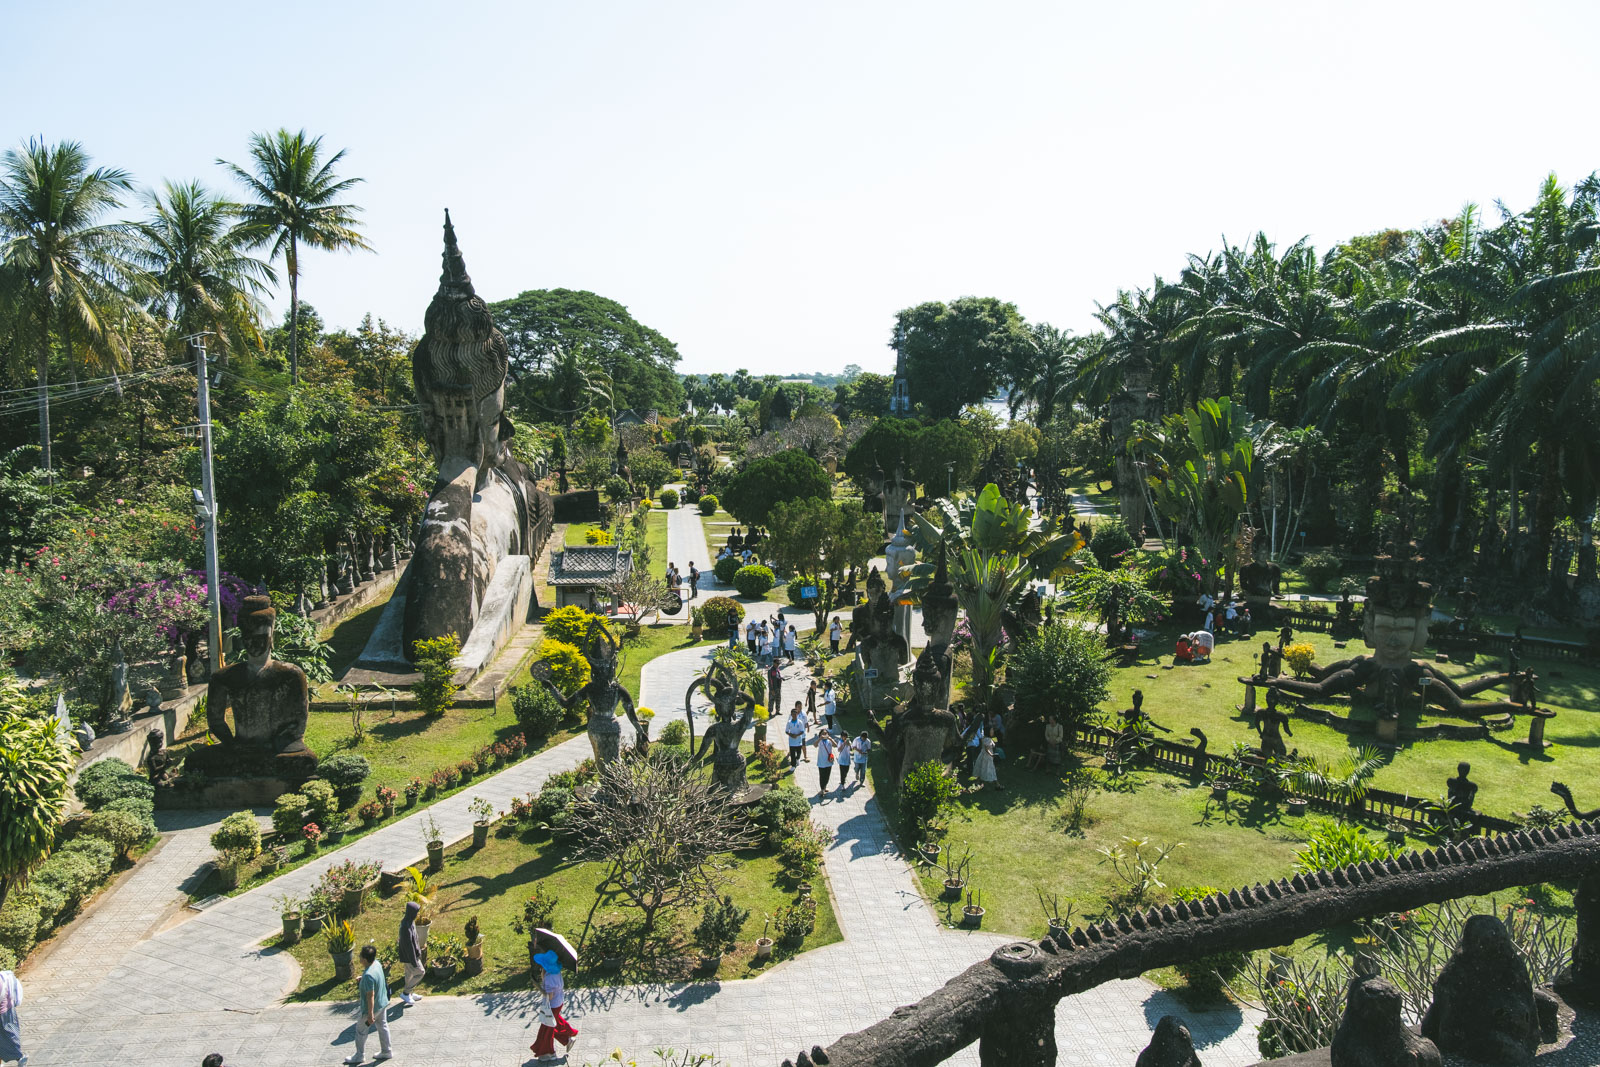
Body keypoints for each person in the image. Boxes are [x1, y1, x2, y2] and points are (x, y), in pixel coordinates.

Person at [345, 944, 392, 1064]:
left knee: (360, 1031)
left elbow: (370, 996)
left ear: (365, 959)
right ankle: (386, 1051)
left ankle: (359, 1056)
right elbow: (375, 979)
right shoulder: (377, 964)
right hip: (383, 1003)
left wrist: (370, 1015)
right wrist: (363, 979)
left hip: (372, 1009)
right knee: (382, 1026)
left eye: (360, 956)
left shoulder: (368, 976)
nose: (359, 957)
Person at [530, 948, 577, 1061]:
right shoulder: (555, 973)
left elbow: (549, 996)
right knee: (554, 1023)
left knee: (546, 1030)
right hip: (558, 1002)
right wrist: (543, 973)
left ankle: (548, 1053)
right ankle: (567, 1038)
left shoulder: (550, 978)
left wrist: (538, 987)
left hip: (552, 1005)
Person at [396, 900, 425, 1005]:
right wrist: (414, 961)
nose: (417, 915)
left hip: (413, 955)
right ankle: (406, 993)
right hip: (410, 957)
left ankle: (410, 993)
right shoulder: (405, 927)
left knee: (409, 975)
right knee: (420, 972)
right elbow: (409, 947)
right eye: (416, 912)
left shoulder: (410, 921)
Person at [0, 968, 23, 1067]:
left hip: (3, 1013)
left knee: (7, 1037)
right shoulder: (2, 977)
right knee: (8, 1036)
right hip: (7, 1011)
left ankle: (20, 1057)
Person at [961, 713, 984, 779]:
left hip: (970, 745)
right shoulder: (977, 728)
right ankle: (977, 771)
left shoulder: (969, 728)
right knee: (975, 759)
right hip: (976, 744)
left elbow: (962, 735)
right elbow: (980, 736)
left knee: (970, 760)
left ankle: (971, 771)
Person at [815, 728, 838, 794]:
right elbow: (815, 745)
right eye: (823, 734)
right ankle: (822, 789)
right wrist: (820, 738)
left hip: (828, 761)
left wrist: (830, 739)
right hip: (821, 762)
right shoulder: (820, 741)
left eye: (826, 733)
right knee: (822, 775)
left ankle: (824, 787)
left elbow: (835, 745)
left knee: (827, 775)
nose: (825, 735)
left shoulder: (829, 741)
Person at [785, 704, 808, 768]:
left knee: (798, 753)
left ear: (797, 715)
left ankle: (798, 759)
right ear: (791, 715)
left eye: (795, 714)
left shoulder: (800, 722)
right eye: (793, 714)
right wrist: (791, 735)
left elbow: (802, 731)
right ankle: (793, 766)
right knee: (792, 754)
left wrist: (797, 735)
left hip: (798, 741)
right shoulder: (789, 722)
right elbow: (786, 731)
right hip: (791, 741)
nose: (794, 715)